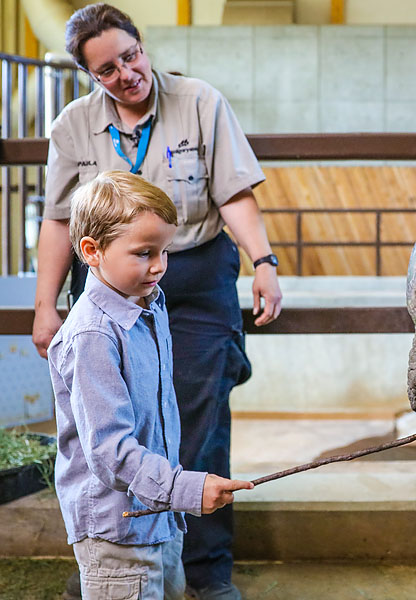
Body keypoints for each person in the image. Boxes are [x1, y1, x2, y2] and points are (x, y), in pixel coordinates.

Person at [32, 4, 282, 598]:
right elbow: (60, 220)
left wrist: (264, 262)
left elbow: (234, 192)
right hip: (107, 278)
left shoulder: (199, 102)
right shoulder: (73, 125)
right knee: (116, 420)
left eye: (131, 56)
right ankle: (110, 552)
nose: (127, 74)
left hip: (190, 274)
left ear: (142, 45)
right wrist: (46, 305)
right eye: (107, 69)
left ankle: (205, 569)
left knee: (193, 419)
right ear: (89, 75)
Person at [48, 171, 255, 600]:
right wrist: (185, 488)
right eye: (144, 253)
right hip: (118, 531)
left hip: (158, 515)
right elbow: (109, 451)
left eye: (164, 251)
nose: (159, 266)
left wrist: (174, 494)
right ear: (92, 251)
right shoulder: (93, 336)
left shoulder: (149, 304)